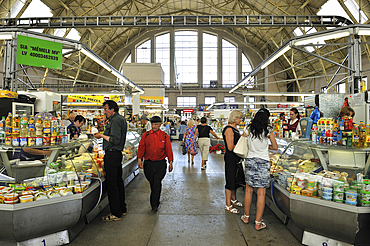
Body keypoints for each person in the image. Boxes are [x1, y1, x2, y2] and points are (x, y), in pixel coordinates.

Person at [241, 108, 278, 231]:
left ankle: (246, 217)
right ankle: (258, 222)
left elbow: (243, 141)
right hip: (263, 162)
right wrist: (266, 146)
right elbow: (275, 146)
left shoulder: (248, 129)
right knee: (261, 193)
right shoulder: (268, 130)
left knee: (248, 191)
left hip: (250, 160)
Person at [94, 100, 127, 221]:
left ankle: (115, 213)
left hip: (112, 155)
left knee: (112, 184)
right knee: (118, 182)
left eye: (106, 109)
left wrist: (101, 135)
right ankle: (122, 209)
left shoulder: (116, 120)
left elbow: (115, 139)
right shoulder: (118, 119)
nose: (105, 111)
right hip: (116, 155)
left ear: (113, 109)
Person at [137, 116, 173, 212]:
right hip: (148, 164)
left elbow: (168, 149)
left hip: (160, 164)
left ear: (160, 125)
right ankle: (155, 199)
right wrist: (139, 159)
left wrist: (170, 161)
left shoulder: (165, 136)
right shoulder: (146, 135)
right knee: (152, 183)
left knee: (156, 182)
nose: (154, 126)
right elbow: (141, 147)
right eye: (153, 124)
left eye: (156, 124)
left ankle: (154, 205)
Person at [222, 110, 244, 214]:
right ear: (235, 118)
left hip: (236, 158)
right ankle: (228, 205)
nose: (241, 120)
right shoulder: (229, 129)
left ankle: (233, 199)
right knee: (230, 180)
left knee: (235, 179)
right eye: (240, 118)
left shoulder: (235, 129)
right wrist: (243, 147)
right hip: (231, 158)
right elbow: (230, 147)